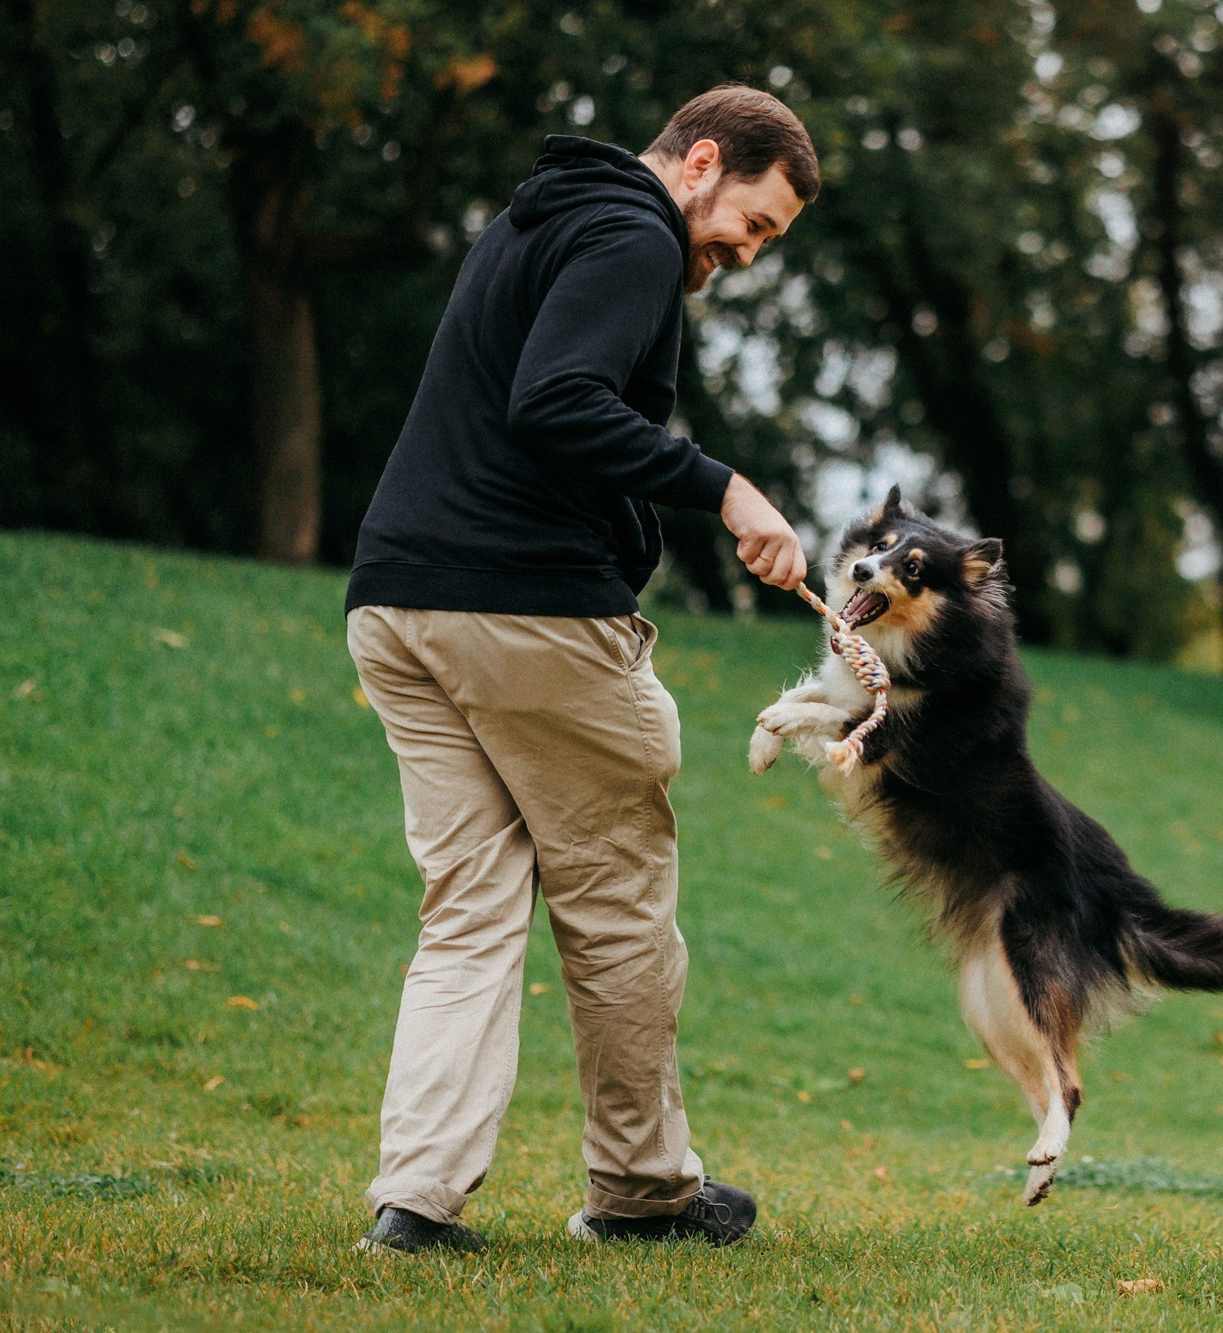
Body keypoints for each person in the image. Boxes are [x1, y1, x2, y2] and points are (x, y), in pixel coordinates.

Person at [343, 86, 814, 1254]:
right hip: (525, 615)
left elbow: (534, 403)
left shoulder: (536, 220)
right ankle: (642, 1191)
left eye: (762, 244)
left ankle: (415, 1203)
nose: (740, 253)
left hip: (397, 604)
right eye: (748, 223)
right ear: (700, 160)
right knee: (617, 917)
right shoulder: (631, 234)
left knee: (468, 915)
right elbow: (556, 399)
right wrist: (724, 487)